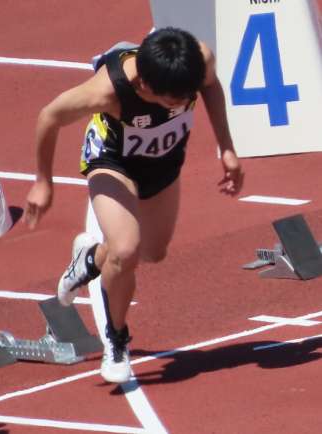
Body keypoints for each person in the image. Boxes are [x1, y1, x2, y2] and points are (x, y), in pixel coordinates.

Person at [23, 27, 244, 383]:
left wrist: (227, 148)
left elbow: (211, 86)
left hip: (163, 163)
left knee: (154, 252)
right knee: (126, 250)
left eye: (185, 97)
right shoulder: (108, 90)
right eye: (172, 100)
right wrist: (43, 182)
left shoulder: (197, 59)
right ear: (144, 85)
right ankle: (116, 338)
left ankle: (90, 258)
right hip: (113, 161)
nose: (181, 103)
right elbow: (49, 115)